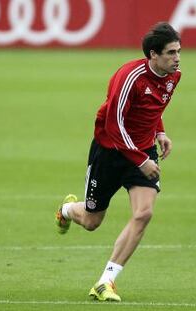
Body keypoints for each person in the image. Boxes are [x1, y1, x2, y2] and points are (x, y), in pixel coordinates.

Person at [55, 22, 181, 302]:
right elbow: (114, 123)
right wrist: (139, 160)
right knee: (91, 221)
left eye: (178, 51)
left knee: (144, 213)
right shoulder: (129, 77)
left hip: (143, 153)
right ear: (153, 54)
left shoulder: (173, 76)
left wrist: (159, 132)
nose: (177, 58)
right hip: (111, 152)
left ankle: (105, 281)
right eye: (171, 52)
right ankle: (66, 209)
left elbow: (153, 106)